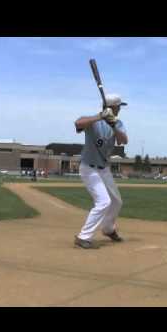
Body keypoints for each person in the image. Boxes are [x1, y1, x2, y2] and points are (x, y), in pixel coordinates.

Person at [73, 94, 129, 249]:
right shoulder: (93, 122)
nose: (120, 109)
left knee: (117, 202)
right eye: (119, 106)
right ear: (113, 107)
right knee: (104, 202)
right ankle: (83, 236)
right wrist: (99, 117)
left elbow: (123, 141)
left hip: (104, 169)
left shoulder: (118, 123)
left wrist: (113, 124)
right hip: (89, 168)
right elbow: (78, 123)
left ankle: (108, 229)